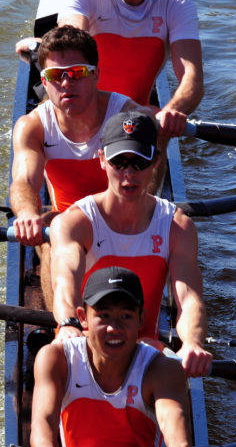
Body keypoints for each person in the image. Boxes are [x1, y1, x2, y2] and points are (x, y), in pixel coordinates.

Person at [31, 266, 200, 447]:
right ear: (83, 318)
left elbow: (171, 414)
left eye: (125, 316)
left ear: (141, 321)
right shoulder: (57, 358)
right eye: (104, 315)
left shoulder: (162, 368)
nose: (114, 328)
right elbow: (42, 421)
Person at [9, 25, 165, 309]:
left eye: (77, 73)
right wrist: (28, 214)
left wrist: (143, 208)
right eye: (56, 76)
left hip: (121, 209)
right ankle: (61, 328)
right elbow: (23, 182)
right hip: (65, 218)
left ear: (96, 74)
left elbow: (153, 165)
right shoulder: (32, 126)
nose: (66, 83)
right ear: (44, 82)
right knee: (50, 232)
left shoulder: (127, 116)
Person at [48, 111, 213, 378]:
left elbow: (190, 300)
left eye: (139, 162)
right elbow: (65, 279)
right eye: (119, 162)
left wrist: (192, 343)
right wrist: (68, 323)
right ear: (102, 160)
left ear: (156, 161)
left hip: (144, 350)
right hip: (84, 345)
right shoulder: (75, 223)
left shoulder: (177, 227)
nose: (128, 174)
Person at [16, 0, 202, 140]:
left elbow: (192, 81)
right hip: (78, 103)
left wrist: (169, 113)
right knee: (59, 54)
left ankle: (40, 45)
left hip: (134, 115)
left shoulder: (176, 3)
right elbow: (70, 51)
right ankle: (40, 49)